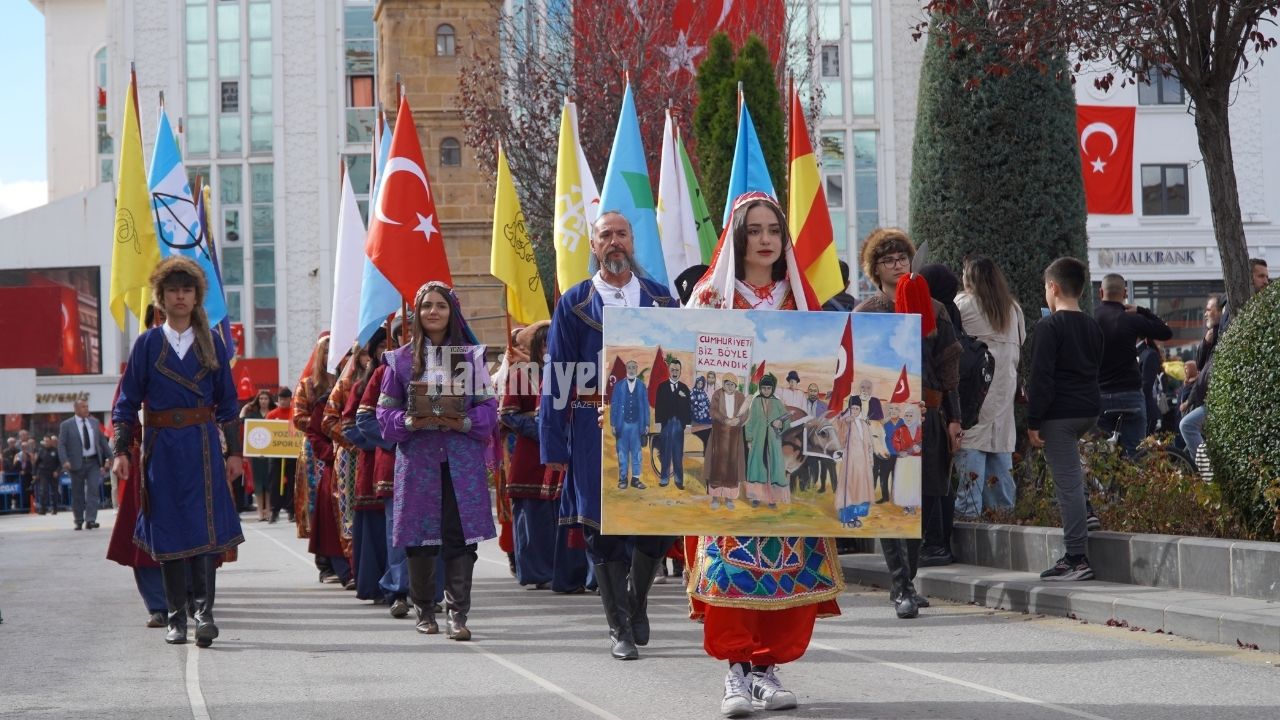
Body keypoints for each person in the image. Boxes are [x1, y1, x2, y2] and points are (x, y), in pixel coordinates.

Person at [686, 192, 843, 717]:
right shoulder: (710, 299)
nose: (764, 239)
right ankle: (734, 671)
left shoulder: (801, 303)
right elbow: (688, 372)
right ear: (737, 237)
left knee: (787, 561)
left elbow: (828, 376)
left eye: (772, 229)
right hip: (731, 449)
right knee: (729, 561)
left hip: (785, 454)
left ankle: (766, 668)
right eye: (753, 230)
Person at [540, 210, 677, 661]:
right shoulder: (574, 302)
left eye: (621, 234)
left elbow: (682, 356)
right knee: (603, 529)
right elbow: (557, 373)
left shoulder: (661, 297)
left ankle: (635, 603)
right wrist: (553, 442)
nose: (614, 242)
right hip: (590, 428)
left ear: (632, 242)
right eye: (605, 236)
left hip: (653, 423)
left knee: (653, 524)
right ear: (594, 247)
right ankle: (618, 627)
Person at [111, 257, 244, 646]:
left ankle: (204, 614)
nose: (180, 296)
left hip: (203, 447)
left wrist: (234, 454)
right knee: (167, 530)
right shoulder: (147, 344)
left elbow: (229, 405)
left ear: (196, 296)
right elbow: (126, 402)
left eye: (187, 290)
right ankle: (175, 618)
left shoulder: (212, 342)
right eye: (173, 290)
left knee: (205, 528)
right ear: (161, 298)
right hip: (161, 449)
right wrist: (122, 449)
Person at [377, 282, 497, 641]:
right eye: (426, 306)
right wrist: (410, 422)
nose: (433, 312)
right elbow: (384, 416)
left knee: (459, 537)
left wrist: (463, 422)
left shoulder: (472, 359)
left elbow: (490, 409)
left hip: (461, 460)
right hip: (419, 461)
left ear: (452, 312)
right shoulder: (398, 360)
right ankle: (424, 610)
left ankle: (457, 615)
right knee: (420, 538)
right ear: (416, 314)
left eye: (440, 306)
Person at [854, 228, 963, 617]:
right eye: (888, 259)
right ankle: (900, 586)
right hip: (885, 420)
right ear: (875, 270)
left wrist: (954, 420)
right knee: (891, 501)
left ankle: (909, 580)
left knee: (924, 502)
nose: (897, 264)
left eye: (902, 257)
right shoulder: (866, 314)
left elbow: (949, 371)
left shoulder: (934, 309)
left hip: (930, 414)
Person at [1027, 257, 1104, 582]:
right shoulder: (1092, 324)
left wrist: (1033, 422)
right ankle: (1084, 514)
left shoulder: (1049, 326)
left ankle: (1076, 559)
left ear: (1053, 287)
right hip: (1088, 409)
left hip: (1060, 413)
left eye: (1046, 287)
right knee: (1074, 477)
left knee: (1068, 485)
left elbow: (1041, 378)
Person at [106, 303, 169, 629]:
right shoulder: (139, 361)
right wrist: (122, 451)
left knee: (188, 528)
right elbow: (123, 408)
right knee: (143, 532)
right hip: (145, 459)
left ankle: (188, 597)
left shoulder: (196, 354)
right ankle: (158, 604)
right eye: (156, 319)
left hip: (184, 455)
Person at [953, 256, 1025, 517]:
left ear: (968, 278)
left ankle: (968, 528)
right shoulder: (1013, 309)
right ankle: (1004, 526)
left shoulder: (962, 304)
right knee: (1001, 479)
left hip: (974, 397)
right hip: (1003, 399)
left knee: (969, 484)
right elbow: (1021, 342)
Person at [500, 321, 560, 589]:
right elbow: (507, 415)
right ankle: (538, 573)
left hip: (561, 457)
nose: (548, 348)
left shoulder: (570, 373)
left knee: (560, 518)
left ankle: (565, 571)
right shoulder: (521, 374)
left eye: (553, 342)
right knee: (533, 519)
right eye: (544, 343)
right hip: (530, 455)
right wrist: (543, 431)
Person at [1093, 273, 1172, 456]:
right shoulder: (1131, 318)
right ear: (1125, 293)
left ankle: (1104, 484)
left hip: (1100, 395)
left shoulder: (1092, 318)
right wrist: (1141, 311)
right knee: (1136, 455)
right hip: (1130, 394)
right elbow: (1165, 332)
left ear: (1100, 292)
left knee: (1099, 457)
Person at [295, 335, 352, 586]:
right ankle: (324, 562)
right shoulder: (308, 385)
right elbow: (298, 417)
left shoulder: (346, 380)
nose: (331, 355)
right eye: (326, 351)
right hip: (316, 450)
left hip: (342, 446)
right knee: (317, 506)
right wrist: (323, 422)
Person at [1180, 295, 1223, 458]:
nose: (1205, 314)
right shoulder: (1211, 335)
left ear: (1220, 311)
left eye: (1208, 309)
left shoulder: (1223, 334)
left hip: (1216, 401)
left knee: (1187, 425)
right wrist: (1205, 342)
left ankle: (1206, 471)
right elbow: (1200, 369)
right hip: (1206, 399)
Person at [58, 399, 110, 530]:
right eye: (83, 407)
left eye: (87, 406)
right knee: (78, 493)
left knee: (93, 490)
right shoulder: (66, 425)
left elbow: (103, 442)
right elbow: (61, 445)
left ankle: (91, 520)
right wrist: (65, 460)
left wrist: (111, 457)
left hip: (93, 462)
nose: (86, 409)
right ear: (75, 409)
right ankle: (79, 520)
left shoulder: (94, 422)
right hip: (76, 463)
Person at [744, 375, 791, 508]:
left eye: (768, 388)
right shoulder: (756, 401)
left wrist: (780, 423)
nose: (766, 390)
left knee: (773, 469)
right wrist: (749, 438)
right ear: (760, 388)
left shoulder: (777, 402)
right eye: (763, 388)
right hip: (758, 442)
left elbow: (787, 420)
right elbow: (750, 422)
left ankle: (772, 499)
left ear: (772, 388)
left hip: (773, 442)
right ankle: (756, 497)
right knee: (757, 468)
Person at [705, 373, 748, 510]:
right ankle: (715, 498)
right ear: (723, 384)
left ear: (736, 385)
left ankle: (729, 498)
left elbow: (746, 413)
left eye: (732, 384)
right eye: (727, 384)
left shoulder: (741, 397)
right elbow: (712, 411)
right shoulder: (717, 394)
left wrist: (738, 420)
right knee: (717, 465)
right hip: (719, 434)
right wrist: (724, 420)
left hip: (734, 436)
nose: (729, 387)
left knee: (732, 465)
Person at [832, 396, 875, 528]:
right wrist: (845, 423)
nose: (855, 411)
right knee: (849, 486)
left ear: (860, 409)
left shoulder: (863, 423)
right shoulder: (846, 422)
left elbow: (868, 443)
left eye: (857, 408)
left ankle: (855, 516)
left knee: (860, 488)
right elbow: (841, 438)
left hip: (863, 462)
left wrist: (870, 458)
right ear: (849, 409)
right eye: (852, 408)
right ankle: (847, 517)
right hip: (850, 461)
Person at [610, 360, 649, 490]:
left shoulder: (642, 386)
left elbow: (645, 407)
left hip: (637, 425)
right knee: (622, 452)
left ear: (637, 369)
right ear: (626, 369)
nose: (631, 370)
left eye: (634, 367)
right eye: (629, 368)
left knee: (637, 453)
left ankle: (636, 479)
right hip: (622, 424)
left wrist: (647, 424)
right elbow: (614, 405)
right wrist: (613, 423)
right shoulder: (619, 386)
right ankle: (623, 479)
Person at [655, 358, 692, 489]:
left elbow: (688, 407)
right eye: (672, 370)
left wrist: (686, 424)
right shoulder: (662, 387)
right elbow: (658, 405)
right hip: (665, 424)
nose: (674, 372)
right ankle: (664, 479)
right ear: (669, 370)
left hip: (679, 425)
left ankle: (678, 480)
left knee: (677, 454)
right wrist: (658, 422)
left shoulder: (684, 388)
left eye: (677, 370)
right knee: (665, 453)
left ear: (680, 371)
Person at [240, 389, 277, 521]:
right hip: (257, 456)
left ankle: (268, 511)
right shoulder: (253, 415)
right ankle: (260, 513)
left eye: (266, 398)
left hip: (271, 455)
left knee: (269, 484)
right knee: (259, 484)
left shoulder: (274, 414)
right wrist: (245, 408)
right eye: (261, 398)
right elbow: (242, 420)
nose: (263, 401)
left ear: (270, 400)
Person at [265, 388, 295, 523]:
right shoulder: (272, 415)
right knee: (274, 482)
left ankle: (291, 510)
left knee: (293, 481)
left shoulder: (295, 414)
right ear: (278, 400)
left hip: (292, 453)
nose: (283, 402)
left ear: (290, 399)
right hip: (275, 453)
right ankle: (274, 510)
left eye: (286, 399)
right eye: (281, 399)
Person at [34, 435, 62, 515]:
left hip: (53, 473)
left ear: (51, 441)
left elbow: (60, 463)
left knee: (54, 492)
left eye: (47, 441)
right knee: (43, 491)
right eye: (45, 441)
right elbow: (36, 463)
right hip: (43, 473)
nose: (46, 443)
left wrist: (57, 471)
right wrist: (34, 473)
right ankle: (43, 509)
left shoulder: (56, 451)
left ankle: (55, 508)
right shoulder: (41, 451)